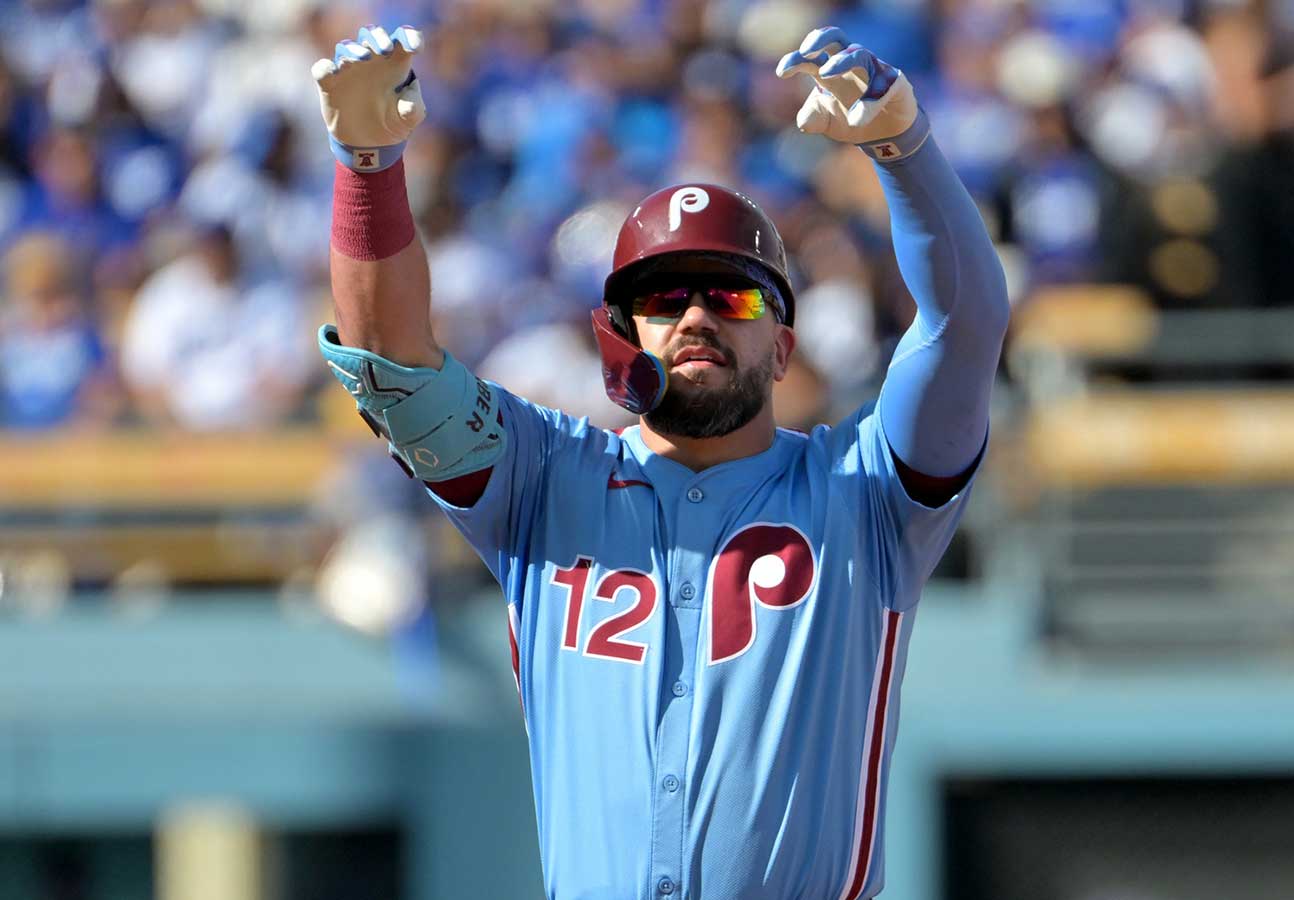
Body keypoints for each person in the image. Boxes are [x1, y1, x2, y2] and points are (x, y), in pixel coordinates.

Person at [312, 23, 1007, 899]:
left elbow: (964, 324)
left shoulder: (865, 491)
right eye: (662, 295)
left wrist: (904, 149)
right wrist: (368, 166)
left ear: (784, 346)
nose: (695, 316)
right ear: (621, 334)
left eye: (733, 293)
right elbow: (393, 364)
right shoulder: (539, 479)